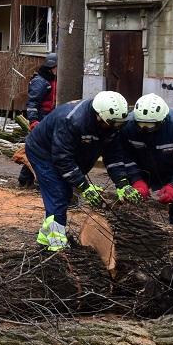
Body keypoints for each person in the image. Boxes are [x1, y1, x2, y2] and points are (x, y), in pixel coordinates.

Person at [24, 91, 130, 251]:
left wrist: (122, 183)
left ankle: (45, 238)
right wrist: (85, 187)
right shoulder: (72, 121)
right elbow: (62, 158)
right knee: (58, 194)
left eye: (117, 125)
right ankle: (56, 246)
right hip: (43, 152)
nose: (113, 128)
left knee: (64, 194)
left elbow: (114, 156)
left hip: (69, 154)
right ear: (98, 115)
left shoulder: (111, 126)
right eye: (110, 124)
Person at [109, 94, 173, 225]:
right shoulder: (128, 126)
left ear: (162, 120)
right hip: (144, 170)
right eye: (141, 124)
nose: (145, 129)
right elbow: (124, 156)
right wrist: (136, 180)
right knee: (132, 211)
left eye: (150, 126)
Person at [19, 53, 58, 187]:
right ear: (52, 67)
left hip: (49, 119)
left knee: (43, 150)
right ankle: (24, 179)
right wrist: (34, 121)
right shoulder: (40, 81)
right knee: (37, 150)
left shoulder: (52, 80)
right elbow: (32, 103)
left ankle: (27, 179)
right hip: (41, 119)